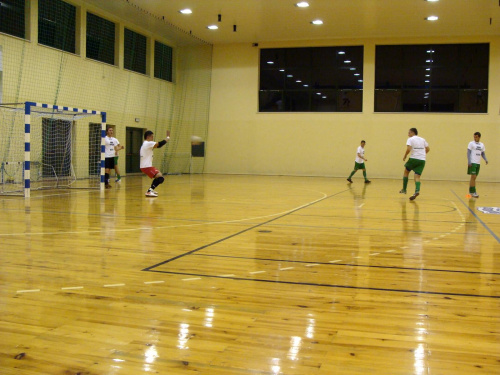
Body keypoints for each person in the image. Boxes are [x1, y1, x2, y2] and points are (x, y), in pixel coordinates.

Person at [400, 128, 430, 201]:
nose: (408, 134)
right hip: (422, 160)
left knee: (406, 171)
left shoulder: (410, 139)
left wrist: (405, 156)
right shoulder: (422, 139)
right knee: (417, 176)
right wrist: (422, 155)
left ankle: (404, 189)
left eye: (409, 132)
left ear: (413, 132)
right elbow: (428, 149)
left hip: (414, 158)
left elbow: (409, 149)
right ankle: (417, 191)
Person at [140, 130, 169, 197]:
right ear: (148, 137)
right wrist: (167, 138)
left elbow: (157, 146)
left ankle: (151, 189)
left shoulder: (146, 144)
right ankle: (149, 191)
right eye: (152, 136)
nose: (153, 138)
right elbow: (159, 144)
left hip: (147, 166)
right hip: (146, 166)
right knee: (160, 178)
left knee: (160, 176)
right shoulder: (147, 143)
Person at [467, 132, 488, 198]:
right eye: (474, 137)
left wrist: (485, 159)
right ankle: (474, 192)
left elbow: (483, 153)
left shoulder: (482, 145)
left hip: (478, 163)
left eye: (476, 137)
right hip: (473, 162)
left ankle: (471, 191)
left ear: (479, 137)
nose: (475, 138)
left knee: (474, 177)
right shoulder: (471, 143)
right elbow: (468, 152)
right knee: (473, 177)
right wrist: (469, 161)